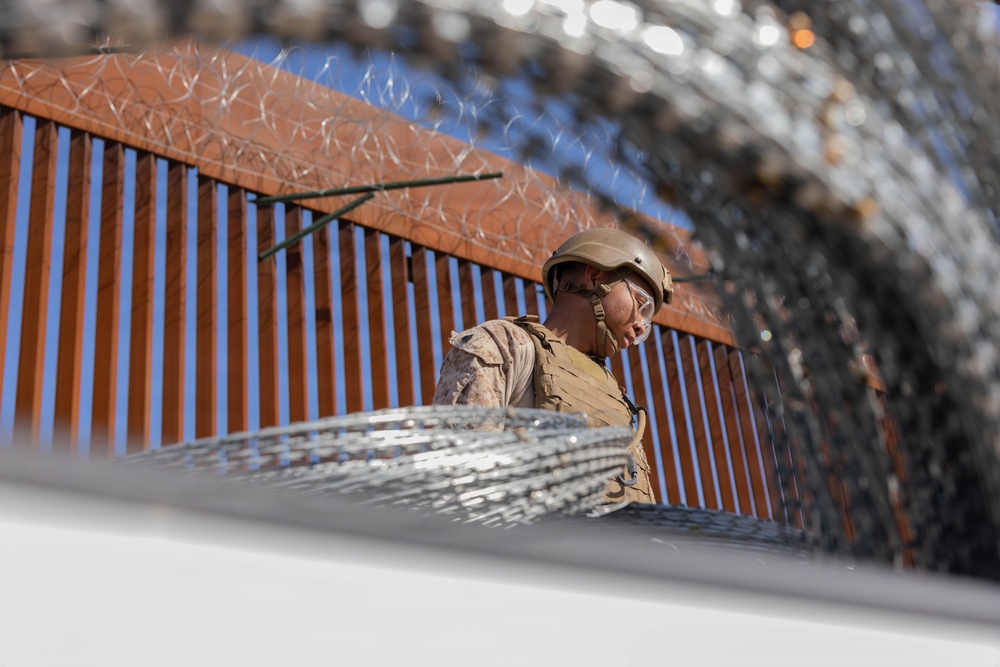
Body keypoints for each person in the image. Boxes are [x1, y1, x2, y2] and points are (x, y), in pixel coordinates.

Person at [432, 227, 673, 506]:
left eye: (648, 322)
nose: (641, 325)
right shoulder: (507, 345)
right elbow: (464, 476)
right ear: (594, 277)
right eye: (641, 304)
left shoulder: (617, 399)